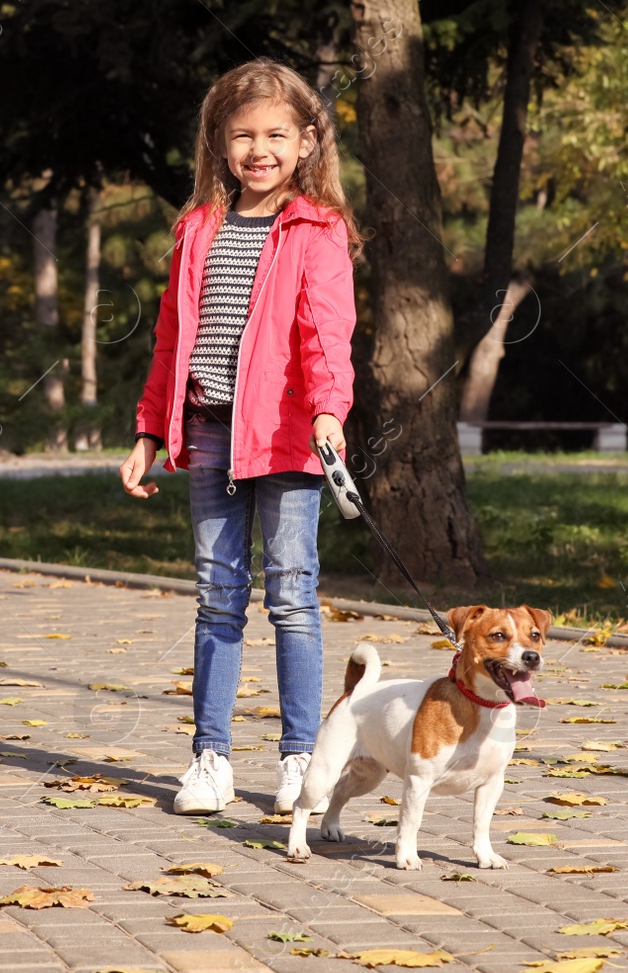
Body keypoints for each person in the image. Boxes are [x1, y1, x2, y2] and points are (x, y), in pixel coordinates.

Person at [119, 58, 363, 815]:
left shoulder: (317, 229)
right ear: (219, 144)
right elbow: (170, 341)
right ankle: (210, 760)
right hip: (209, 433)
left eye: (276, 135)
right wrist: (148, 430)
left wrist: (330, 410)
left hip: (289, 438)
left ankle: (298, 762)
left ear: (306, 142)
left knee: (292, 598)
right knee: (217, 598)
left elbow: (328, 333)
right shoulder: (197, 229)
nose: (260, 150)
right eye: (243, 136)